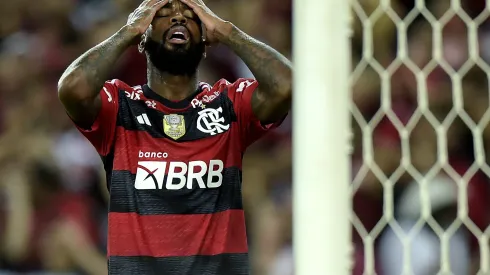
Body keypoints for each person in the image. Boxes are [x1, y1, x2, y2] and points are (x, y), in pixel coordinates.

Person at [57, 0, 292, 274]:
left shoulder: (228, 104)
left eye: (190, 16)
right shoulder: (120, 106)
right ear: (143, 38)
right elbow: (72, 89)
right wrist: (127, 32)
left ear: (205, 42)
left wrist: (229, 32)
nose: (178, 18)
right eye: (164, 14)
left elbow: (285, 86)